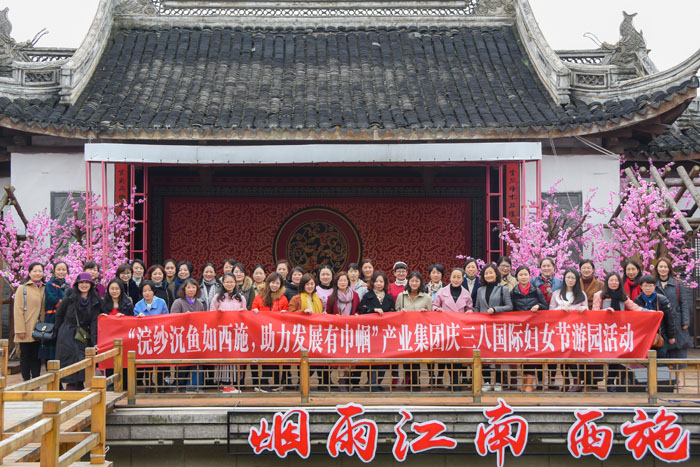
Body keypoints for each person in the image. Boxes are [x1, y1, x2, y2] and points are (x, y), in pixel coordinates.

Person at [592, 272, 642, 393]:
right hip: (603, 331)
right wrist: (605, 311)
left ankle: (610, 381)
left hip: (618, 331)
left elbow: (635, 308)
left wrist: (649, 312)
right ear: (607, 282)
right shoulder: (599, 295)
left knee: (616, 357)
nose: (614, 283)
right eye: (611, 280)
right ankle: (594, 381)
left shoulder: (623, 296)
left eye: (616, 280)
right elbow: (594, 311)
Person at [55, 272, 101, 390]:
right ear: (77, 284)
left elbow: (94, 323)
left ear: (91, 285)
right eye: (81, 282)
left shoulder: (95, 301)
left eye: (87, 283)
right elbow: (59, 314)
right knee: (70, 359)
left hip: (83, 334)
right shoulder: (70, 297)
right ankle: (71, 386)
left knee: (82, 358)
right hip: (67, 332)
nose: (84, 285)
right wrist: (58, 332)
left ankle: (79, 385)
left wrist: (95, 342)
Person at [474, 264, 513, 393]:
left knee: (498, 355)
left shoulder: (503, 289)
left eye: (491, 273)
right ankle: (486, 381)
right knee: (483, 354)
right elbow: (477, 307)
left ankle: (498, 382)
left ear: (496, 274)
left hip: (498, 327)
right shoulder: (480, 290)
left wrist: (496, 309)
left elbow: (509, 306)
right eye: (486, 273)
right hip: (483, 328)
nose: (488, 275)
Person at [654, 256, 692, 387]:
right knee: (664, 350)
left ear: (669, 269)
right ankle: (667, 379)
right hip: (662, 323)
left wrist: (685, 321)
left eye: (665, 267)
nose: (663, 269)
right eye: (660, 267)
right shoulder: (654, 284)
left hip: (677, 321)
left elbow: (684, 303)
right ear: (657, 269)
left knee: (679, 351)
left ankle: (679, 378)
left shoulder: (677, 283)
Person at [549, 268, 588, 392]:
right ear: (564, 279)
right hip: (560, 329)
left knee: (573, 356)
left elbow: (587, 310)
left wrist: (584, 309)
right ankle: (565, 381)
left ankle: (576, 382)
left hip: (575, 330)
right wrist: (560, 309)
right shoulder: (557, 294)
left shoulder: (581, 294)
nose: (570, 280)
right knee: (562, 356)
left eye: (573, 278)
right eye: (568, 277)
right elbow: (550, 311)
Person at [510, 266, 548, 392]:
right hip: (520, 329)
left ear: (529, 276)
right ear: (517, 277)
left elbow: (545, 306)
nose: (523, 277)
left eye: (525, 274)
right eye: (521, 275)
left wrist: (538, 306)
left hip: (534, 328)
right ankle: (525, 382)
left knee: (532, 355)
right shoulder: (513, 292)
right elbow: (510, 309)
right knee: (523, 355)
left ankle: (529, 384)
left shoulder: (536, 290)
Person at [250, 272, 288, 392]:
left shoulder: (283, 299)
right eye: (272, 282)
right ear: (268, 283)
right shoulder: (259, 296)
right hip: (261, 332)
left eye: (277, 283)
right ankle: (261, 384)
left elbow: (287, 314)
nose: (274, 285)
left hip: (276, 333)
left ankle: (266, 383)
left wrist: (285, 314)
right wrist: (255, 311)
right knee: (262, 358)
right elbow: (253, 310)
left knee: (273, 358)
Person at [358, 271, 395, 392]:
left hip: (385, 333)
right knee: (373, 359)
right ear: (372, 283)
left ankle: (378, 382)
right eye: (376, 281)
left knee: (384, 359)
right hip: (371, 333)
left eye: (381, 281)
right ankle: (372, 383)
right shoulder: (367, 296)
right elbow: (361, 310)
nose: (379, 284)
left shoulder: (389, 297)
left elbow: (394, 312)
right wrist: (373, 310)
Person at [395, 271, 432, 391]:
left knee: (417, 358)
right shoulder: (401, 296)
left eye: (417, 281)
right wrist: (401, 312)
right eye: (412, 281)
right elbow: (395, 312)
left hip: (420, 332)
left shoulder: (427, 297)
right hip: (405, 332)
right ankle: (408, 382)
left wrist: (425, 313)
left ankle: (416, 382)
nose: (414, 283)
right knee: (406, 358)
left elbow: (432, 315)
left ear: (421, 282)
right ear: (408, 282)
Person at [209, 273, 244, 392]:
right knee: (224, 358)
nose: (229, 284)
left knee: (234, 358)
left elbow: (246, 313)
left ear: (235, 283)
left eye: (232, 282)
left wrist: (242, 312)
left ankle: (232, 384)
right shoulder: (217, 297)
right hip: (222, 332)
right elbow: (211, 313)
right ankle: (224, 384)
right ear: (223, 283)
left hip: (236, 332)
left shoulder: (240, 298)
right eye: (227, 282)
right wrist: (218, 313)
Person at [169, 278, 205, 391]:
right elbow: (172, 319)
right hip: (182, 337)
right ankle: (178, 386)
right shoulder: (178, 302)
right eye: (188, 287)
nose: (191, 290)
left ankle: (195, 386)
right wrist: (184, 317)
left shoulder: (200, 304)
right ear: (184, 289)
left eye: (193, 287)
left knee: (196, 363)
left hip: (195, 338)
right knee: (182, 363)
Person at [133, 280, 168, 393]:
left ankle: (161, 384)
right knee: (146, 363)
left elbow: (167, 319)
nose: (147, 293)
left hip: (159, 336)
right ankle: (148, 385)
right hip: (145, 338)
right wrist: (138, 318)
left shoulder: (161, 302)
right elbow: (133, 323)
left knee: (161, 363)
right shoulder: (138, 305)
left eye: (149, 290)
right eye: (144, 291)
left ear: (154, 291)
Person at [14, 262, 46, 381]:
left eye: (40, 271)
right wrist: (20, 330)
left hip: (40, 328)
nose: (38, 273)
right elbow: (18, 310)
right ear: (29, 273)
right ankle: (26, 381)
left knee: (37, 356)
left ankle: (36, 382)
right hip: (26, 327)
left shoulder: (45, 288)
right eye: (35, 271)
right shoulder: (22, 288)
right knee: (26, 356)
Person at [635, 274, 676, 350]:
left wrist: (671, 336)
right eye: (645, 286)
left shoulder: (662, 300)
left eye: (650, 286)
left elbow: (669, 319)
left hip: (660, 334)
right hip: (644, 336)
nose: (648, 288)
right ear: (641, 287)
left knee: (661, 356)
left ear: (654, 286)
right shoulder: (638, 300)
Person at [41, 261, 70, 363]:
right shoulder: (49, 284)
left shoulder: (68, 286)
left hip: (65, 319)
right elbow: (52, 299)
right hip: (52, 318)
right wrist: (65, 303)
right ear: (54, 271)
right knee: (52, 346)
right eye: (59, 269)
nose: (61, 272)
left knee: (63, 346)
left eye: (63, 269)